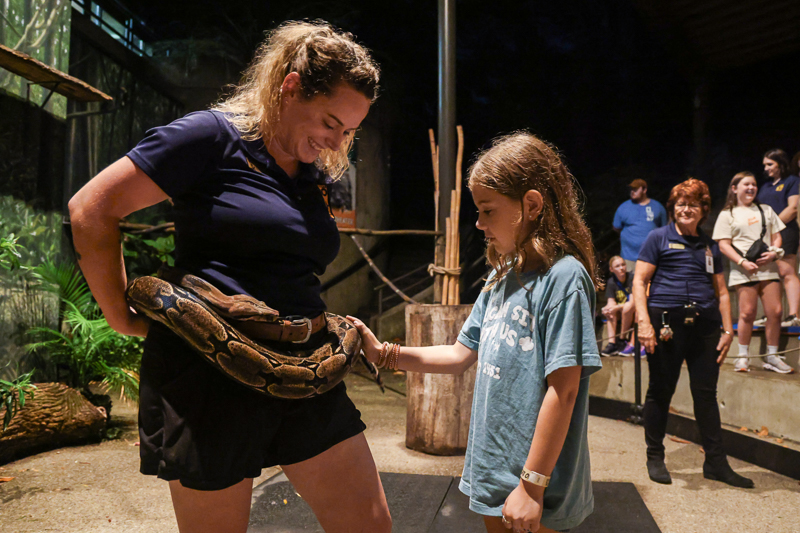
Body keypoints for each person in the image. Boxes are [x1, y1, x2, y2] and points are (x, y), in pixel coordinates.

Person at [68, 21, 392, 533]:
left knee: (370, 524)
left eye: (349, 131)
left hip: (307, 369)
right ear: (290, 87)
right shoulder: (210, 136)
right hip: (208, 378)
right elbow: (91, 208)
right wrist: (120, 316)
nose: (337, 141)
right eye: (331, 122)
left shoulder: (310, 173)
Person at [350, 132, 602, 533]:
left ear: (531, 205)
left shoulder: (564, 278)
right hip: (494, 470)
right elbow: (458, 355)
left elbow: (564, 390)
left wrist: (531, 486)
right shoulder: (501, 276)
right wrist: (384, 354)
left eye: (488, 210)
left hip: (537, 481)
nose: (479, 223)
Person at [634, 178, 754, 489]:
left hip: (706, 326)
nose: (686, 209)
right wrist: (643, 323)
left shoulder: (709, 245)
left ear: (703, 210)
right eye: (681, 204)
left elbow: (722, 292)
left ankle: (715, 462)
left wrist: (727, 329)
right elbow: (639, 281)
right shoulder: (657, 237)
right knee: (660, 390)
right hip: (666, 325)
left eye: (693, 205)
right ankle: (655, 456)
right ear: (673, 208)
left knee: (706, 394)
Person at [712, 172, 794, 374]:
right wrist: (742, 262)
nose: (751, 188)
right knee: (747, 313)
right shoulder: (727, 214)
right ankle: (743, 356)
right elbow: (723, 244)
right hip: (744, 270)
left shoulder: (765, 210)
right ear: (734, 188)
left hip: (768, 268)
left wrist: (773, 253)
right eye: (746, 184)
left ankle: (772, 356)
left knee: (775, 312)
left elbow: (777, 236)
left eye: (754, 184)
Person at [757, 149, 800, 327]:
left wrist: (773, 226)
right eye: (764, 165)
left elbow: (793, 208)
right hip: (766, 235)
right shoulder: (765, 186)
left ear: (780, 164)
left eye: (770, 164)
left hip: (786, 231)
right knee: (770, 274)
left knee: (787, 271)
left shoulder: (792, 181)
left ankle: (794, 315)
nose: (766, 168)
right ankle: (771, 314)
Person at [613, 178, 668, 272]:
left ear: (644, 190)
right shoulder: (623, 207)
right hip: (629, 258)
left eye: (635, 189)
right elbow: (616, 228)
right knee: (630, 281)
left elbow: (664, 230)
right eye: (631, 189)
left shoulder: (657, 207)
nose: (632, 192)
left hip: (652, 258)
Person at [600, 255, 636, 356]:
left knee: (627, 307)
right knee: (610, 311)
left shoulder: (632, 278)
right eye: (617, 266)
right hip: (621, 312)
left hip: (632, 311)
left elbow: (633, 302)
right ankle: (612, 343)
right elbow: (610, 301)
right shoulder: (611, 282)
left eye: (623, 265)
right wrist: (607, 309)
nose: (621, 268)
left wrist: (616, 307)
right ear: (611, 269)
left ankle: (622, 339)